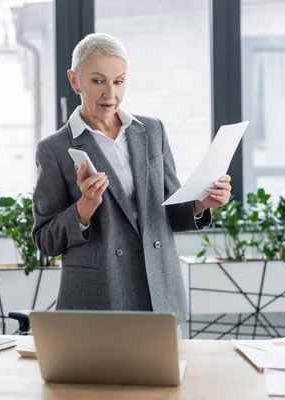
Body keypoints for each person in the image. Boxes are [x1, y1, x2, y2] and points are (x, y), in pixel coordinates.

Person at [31, 33, 231, 329]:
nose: (110, 93)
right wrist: (84, 207)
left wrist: (201, 203)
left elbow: (168, 209)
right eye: (97, 81)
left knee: (163, 375)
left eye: (119, 81)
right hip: (100, 294)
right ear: (74, 81)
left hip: (158, 290)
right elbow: (45, 239)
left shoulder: (151, 131)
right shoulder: (54, 148)